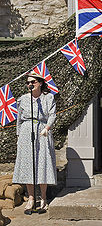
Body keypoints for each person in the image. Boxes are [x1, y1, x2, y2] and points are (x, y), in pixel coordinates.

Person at [12, 71, 57, 213]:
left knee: (42, 164)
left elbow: (52, 115)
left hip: (42, 132)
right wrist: (19, 137)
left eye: (33, 82)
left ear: (40, 83)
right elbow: (19, 120)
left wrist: (47, 128)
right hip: (26, 132)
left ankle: (43, 198)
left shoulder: (48, 98)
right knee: (28, 165)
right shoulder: (23, 99)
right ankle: (31, 198)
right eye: (28, 83)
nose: (30, 84)